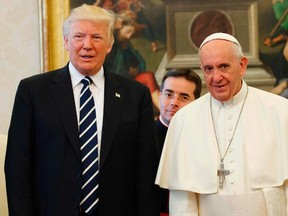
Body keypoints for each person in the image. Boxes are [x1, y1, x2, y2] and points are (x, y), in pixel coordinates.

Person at [5, 4, 159, 216]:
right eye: (79, 36)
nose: (87, 45)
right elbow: (17, 168)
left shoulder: (136, 95)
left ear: (109, 45)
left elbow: (146, 170)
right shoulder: (33, 92)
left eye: (96, 37)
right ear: (66, 42)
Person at [155, 32, 288, 215]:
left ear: (242, 66)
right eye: (208, 69)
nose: (216, 77)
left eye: (223, 66)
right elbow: (182, 199)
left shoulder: (280, 110)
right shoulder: (184, 120)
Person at [155, 68, 202, 215]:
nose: (174, 102)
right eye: (169, 94)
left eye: (184, 97)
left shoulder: (204, 139)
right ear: (159, 96)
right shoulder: (141, 136)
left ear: (196, 102)